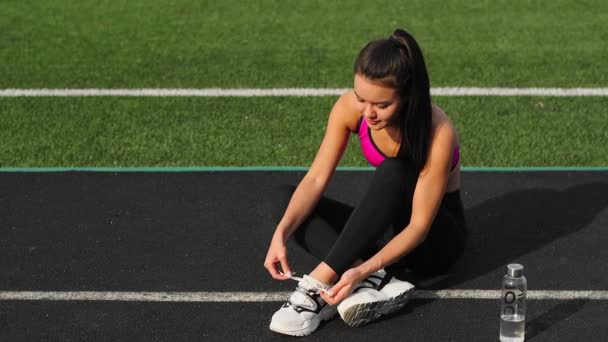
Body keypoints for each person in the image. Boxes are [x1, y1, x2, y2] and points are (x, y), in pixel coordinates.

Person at [264, 28, 467, 336]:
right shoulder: (350, 108)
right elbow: (316, 178)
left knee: (394, 171)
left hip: (434, 242)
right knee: (285, 201)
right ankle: (375, 282)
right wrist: (282, 233)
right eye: (362, 98)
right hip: (387, 232)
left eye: (381, 104)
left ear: (407, 96)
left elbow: (419, 227)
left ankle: (317, 288)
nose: (368, 112)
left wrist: (361, 268)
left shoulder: (438, 132)